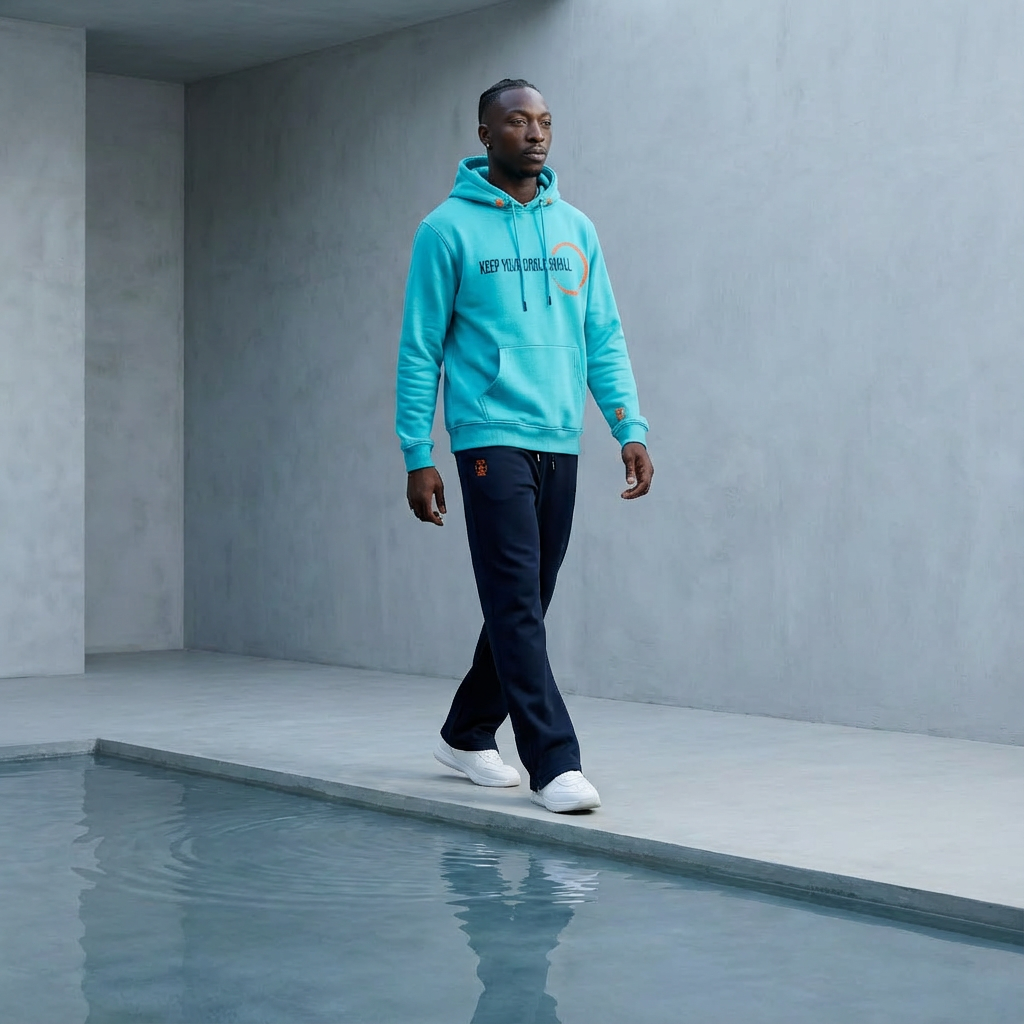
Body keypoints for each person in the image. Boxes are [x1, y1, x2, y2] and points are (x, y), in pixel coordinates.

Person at [396, 78, 653, 813]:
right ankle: (555, 762)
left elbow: (602, 335)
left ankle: (467, 730)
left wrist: (627, 425)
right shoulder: (445, 230)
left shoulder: (576, 228)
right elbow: (420, 351)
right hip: (487, 438)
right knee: (515, 605)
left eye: (544, 121)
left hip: (558, 439)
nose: (535, 134)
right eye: (517, 122)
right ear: (485, 135)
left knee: (525, 603)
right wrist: (419, 452)